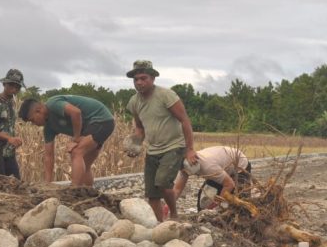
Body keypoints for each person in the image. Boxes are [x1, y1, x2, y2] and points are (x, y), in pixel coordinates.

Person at [126, 60, 197, 222]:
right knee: (152, 194)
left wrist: (190, 149)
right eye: (136, 79)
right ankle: (159, 224)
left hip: (173, 146)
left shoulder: (166, 95)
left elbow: (185, 121)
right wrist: (135, 145)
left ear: (152, 78)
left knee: (164, 183)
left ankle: (174, 214)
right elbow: (140, 128)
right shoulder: (134, 102)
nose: (139, 82)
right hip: (153, 150)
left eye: (143, 78)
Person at [19, 95, 115, 186]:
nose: (34, 124)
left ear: (38, 110)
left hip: (101, 119)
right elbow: (49, 156)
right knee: (85, 164)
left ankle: (74, 190)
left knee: (77, 152)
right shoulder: (48, 128)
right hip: (93, 127)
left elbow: (76, 112)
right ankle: (89, 194)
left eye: (32, 120)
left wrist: (76, 138)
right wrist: (47, 184)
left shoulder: (52, 104)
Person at [172, 146, 251, 210]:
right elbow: (177, 189)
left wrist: (216, 204)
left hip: (240, 166)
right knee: (204, 199)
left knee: (241, 202)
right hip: (221, 167)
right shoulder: (185, 169)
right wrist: (168, 206)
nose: (184, 172)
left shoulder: (208, 167)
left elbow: (229, 185)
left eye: (185, 169)